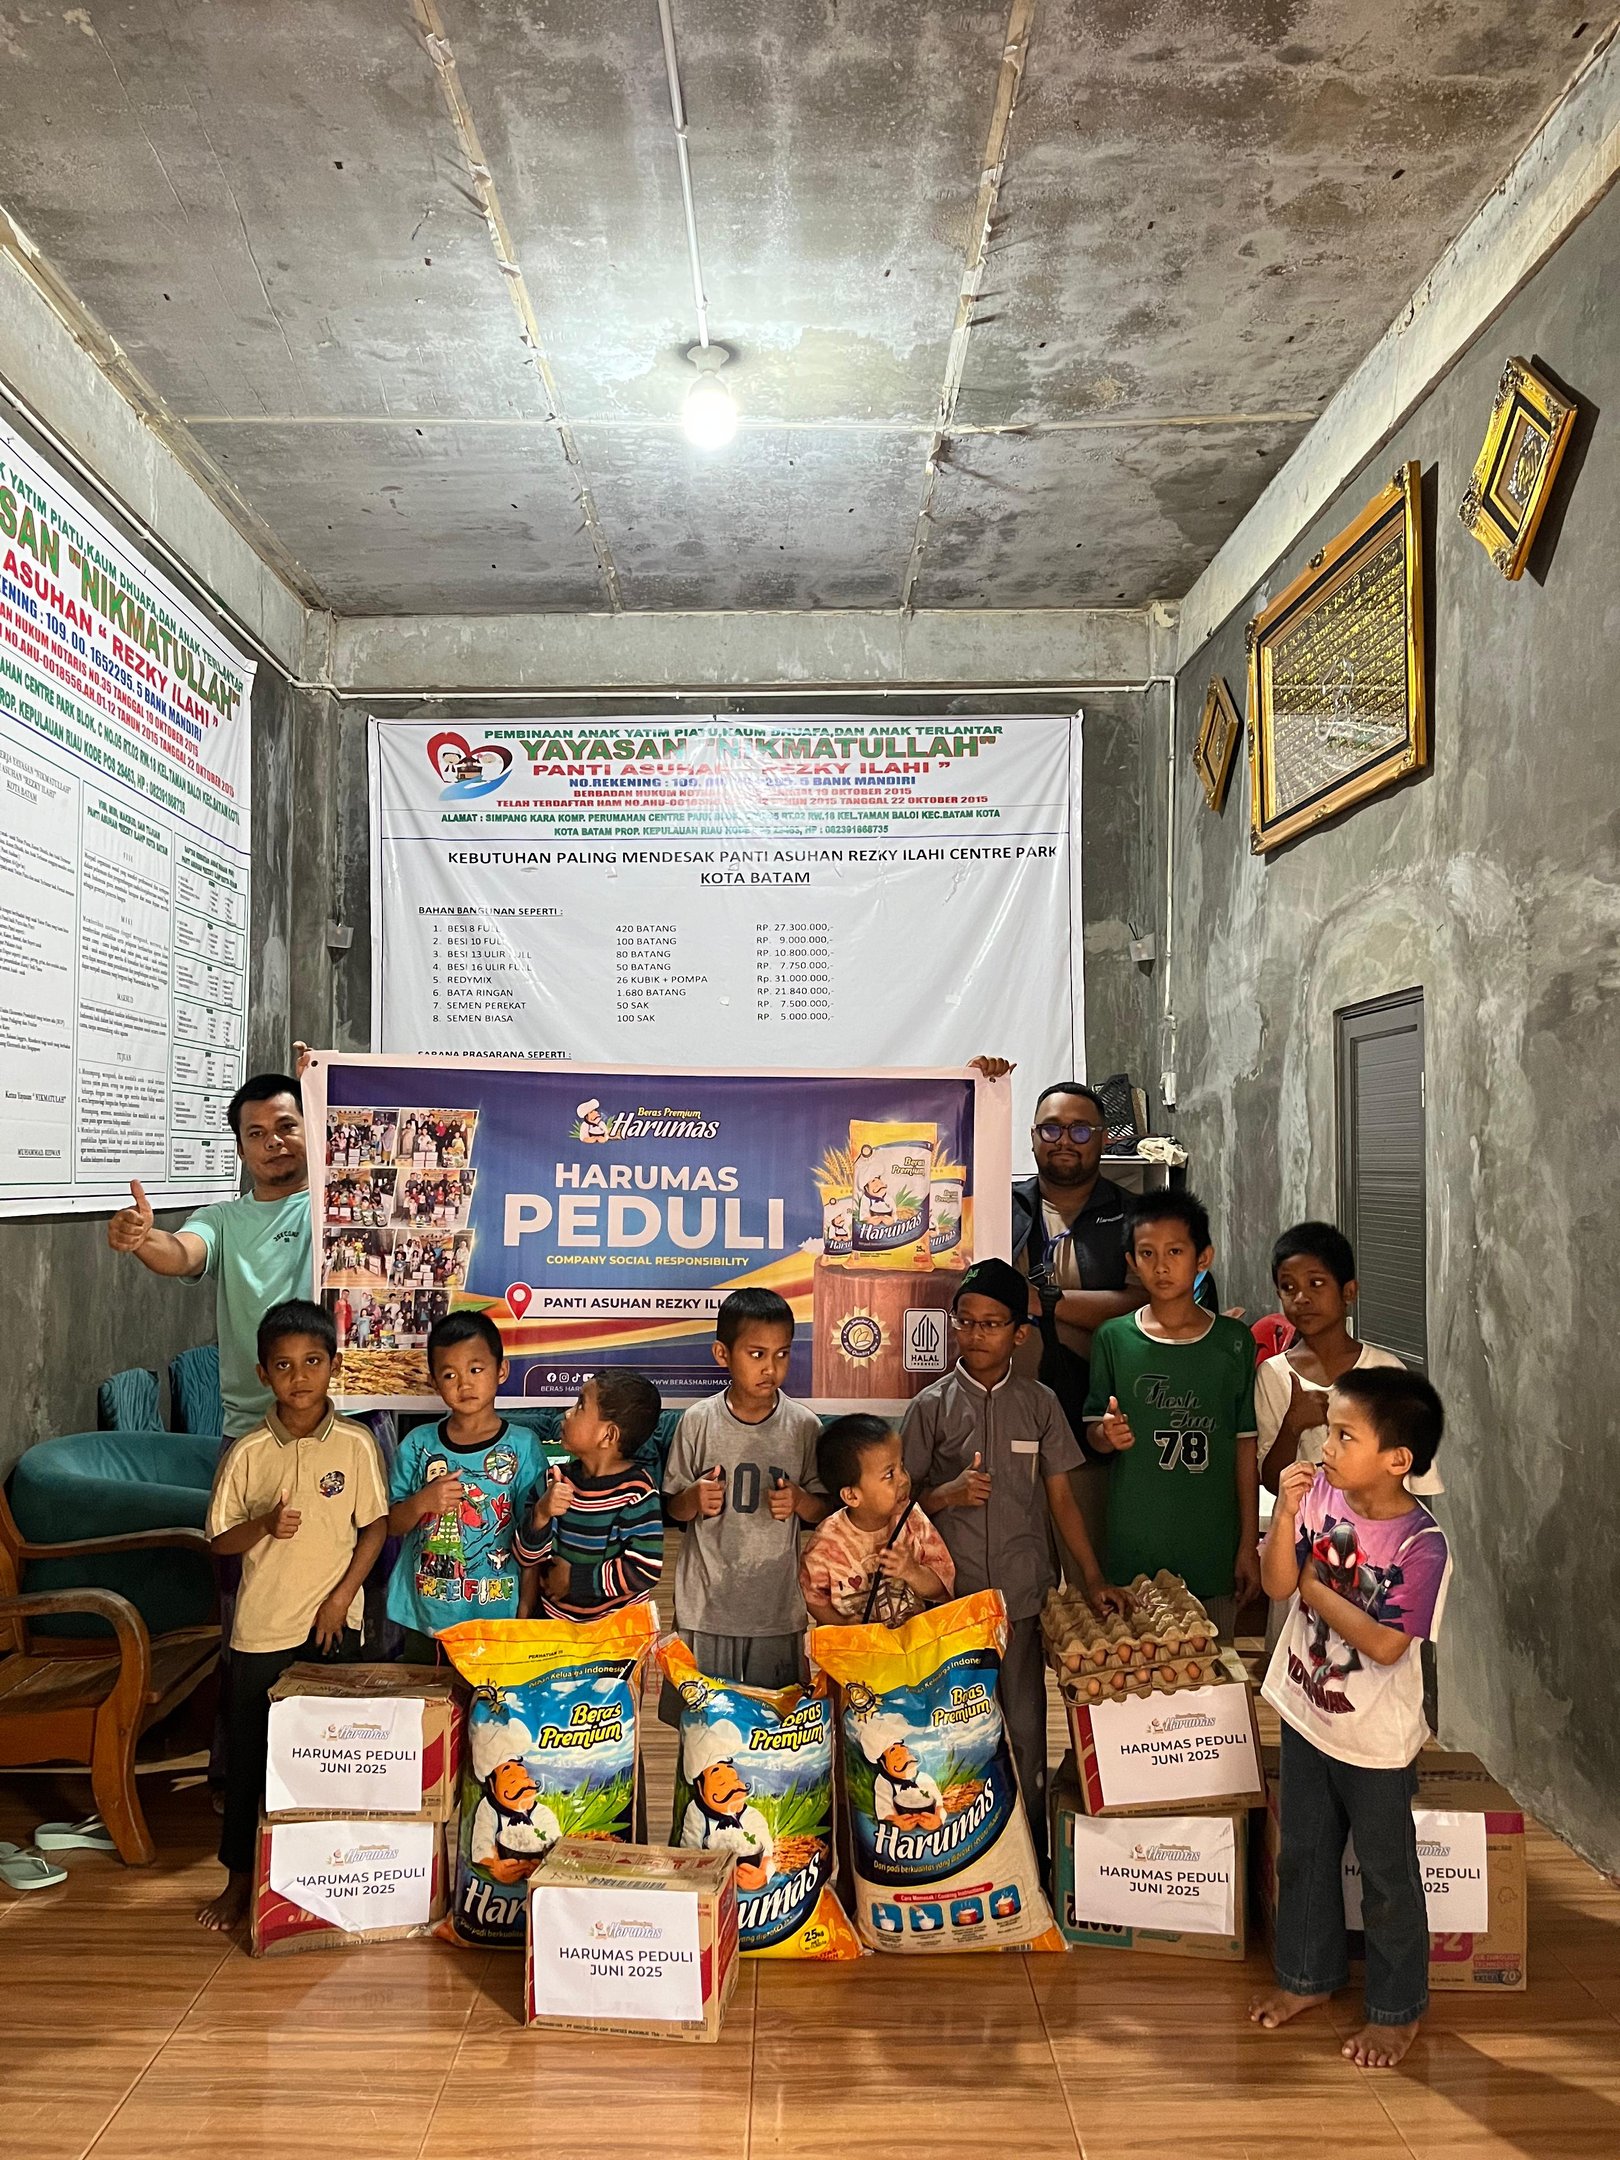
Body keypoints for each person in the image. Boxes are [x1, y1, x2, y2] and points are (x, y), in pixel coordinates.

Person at [1250, 1367, 1450, 2070]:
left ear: (1398, 1459)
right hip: (1307, 1711)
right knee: (1303, 1852)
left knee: (1388, 1875)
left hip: (1375, 1739)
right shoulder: (1319, 1496)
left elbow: (1386, 1644)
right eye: (1328, 1431)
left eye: (1344, 1435)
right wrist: (1283, 1518)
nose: (1326, 1447)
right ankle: (1307, 1977)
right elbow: (1278, 1583)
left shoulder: (1421, 1545)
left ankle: (1397, 2011)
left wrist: (1315, 1589)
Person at [902, 1256, 1121, 1868]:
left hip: (1021, 1599)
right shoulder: (931, 1406)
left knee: (1025, 1731)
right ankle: (959, 1859)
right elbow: (898, 1503)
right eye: (965, 1321)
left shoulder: (1041, 1404)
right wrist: (947, 1494)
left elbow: (1061, 1500)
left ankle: (1031, 1862)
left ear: (1019, 1333)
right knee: (953, 1736)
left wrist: (1092, 1578)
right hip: (949, 1603)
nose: (975, 1334)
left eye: (991, 1324)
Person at [197, 1299, 387, 1931]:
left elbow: (374, 1528)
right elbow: (219, 1539)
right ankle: (240, 1880)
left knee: (334, 1758)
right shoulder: (249, 1451)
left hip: (334, 1626)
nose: (299, 1377)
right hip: (261, 1631)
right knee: (251, 1758)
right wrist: (264, 1524)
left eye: (312, 1362)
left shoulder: (356, 1443)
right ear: (262, 1374)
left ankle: (332, 1879)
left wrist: (340, 1600)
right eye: (283, 1365)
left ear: (334, 1366)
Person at [1084, 1190, 1261, 1639]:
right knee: (1141, 1667)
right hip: (1135, 1546)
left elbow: (1245, 1448)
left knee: (1214, 1667)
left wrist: (1247, 1545)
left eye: (1175, 1252)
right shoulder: (1113, 1339)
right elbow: (1094, 1432)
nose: (1161, 1266)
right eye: (1148, 1254)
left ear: (1203, 1258)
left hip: (1212, 1545)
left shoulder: (1234, 1342)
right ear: (1132, 1262)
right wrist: (1107, 1435)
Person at [107, 1072, 311, 1441]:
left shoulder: (341, 1211)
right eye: (256, 1133)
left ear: (311, 1127)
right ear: (241, 1150)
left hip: (349, 1416)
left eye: (286, 1127)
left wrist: (324, 1081)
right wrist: (142, 1238)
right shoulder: (221, 1220)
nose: (273, 1141)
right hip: (254, 1426)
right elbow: (183, 1253)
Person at [662, 1286, 829, 1690]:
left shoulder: (804, 1426)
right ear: (723, 1354)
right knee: (702, 1719)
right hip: (704, 1607)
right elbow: (672, 1508)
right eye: (757, 1354)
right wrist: (693, 1498)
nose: (771, 1367)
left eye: (782, 1354)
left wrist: (800, 1501)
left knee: (775, 1718)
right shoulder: (697, 1421)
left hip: (775, 1609)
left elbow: (826, 1510)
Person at [386, 1311, 547, 1663]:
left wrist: (527, 1603)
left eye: (476, 1369)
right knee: (425, 1693)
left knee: (489, 1697)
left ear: (501, 1370)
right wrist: (422, 1502)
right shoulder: (418, 1444)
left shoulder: (523, 1446)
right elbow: (391, 1524)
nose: (464, 1384)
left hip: (498, 1613)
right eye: (450, 1375)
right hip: (427, 1616)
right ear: (434, 1381)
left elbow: (534, 1532)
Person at [516, 1369, 664, 1621]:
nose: (567, 1413)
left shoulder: (638, 1492)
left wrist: (574, 1580)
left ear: (608, 1435)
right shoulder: (553, 1480)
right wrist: (541, 1513)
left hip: (615, 1634)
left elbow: (645, 1569)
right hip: (555, 1627)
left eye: (580, 1406)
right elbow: (525, 1556)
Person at [799, 1413, 955, 1627]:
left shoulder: (912, 1518)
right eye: (889, 1474)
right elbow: (811, 1595)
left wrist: (912, 1571)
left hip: (915, 1643)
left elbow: (943, 1585)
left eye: (902, 1466)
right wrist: (841, 1623)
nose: (904, 1479)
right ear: (852, 1496)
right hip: (856, 1647)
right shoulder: (827, 1542)